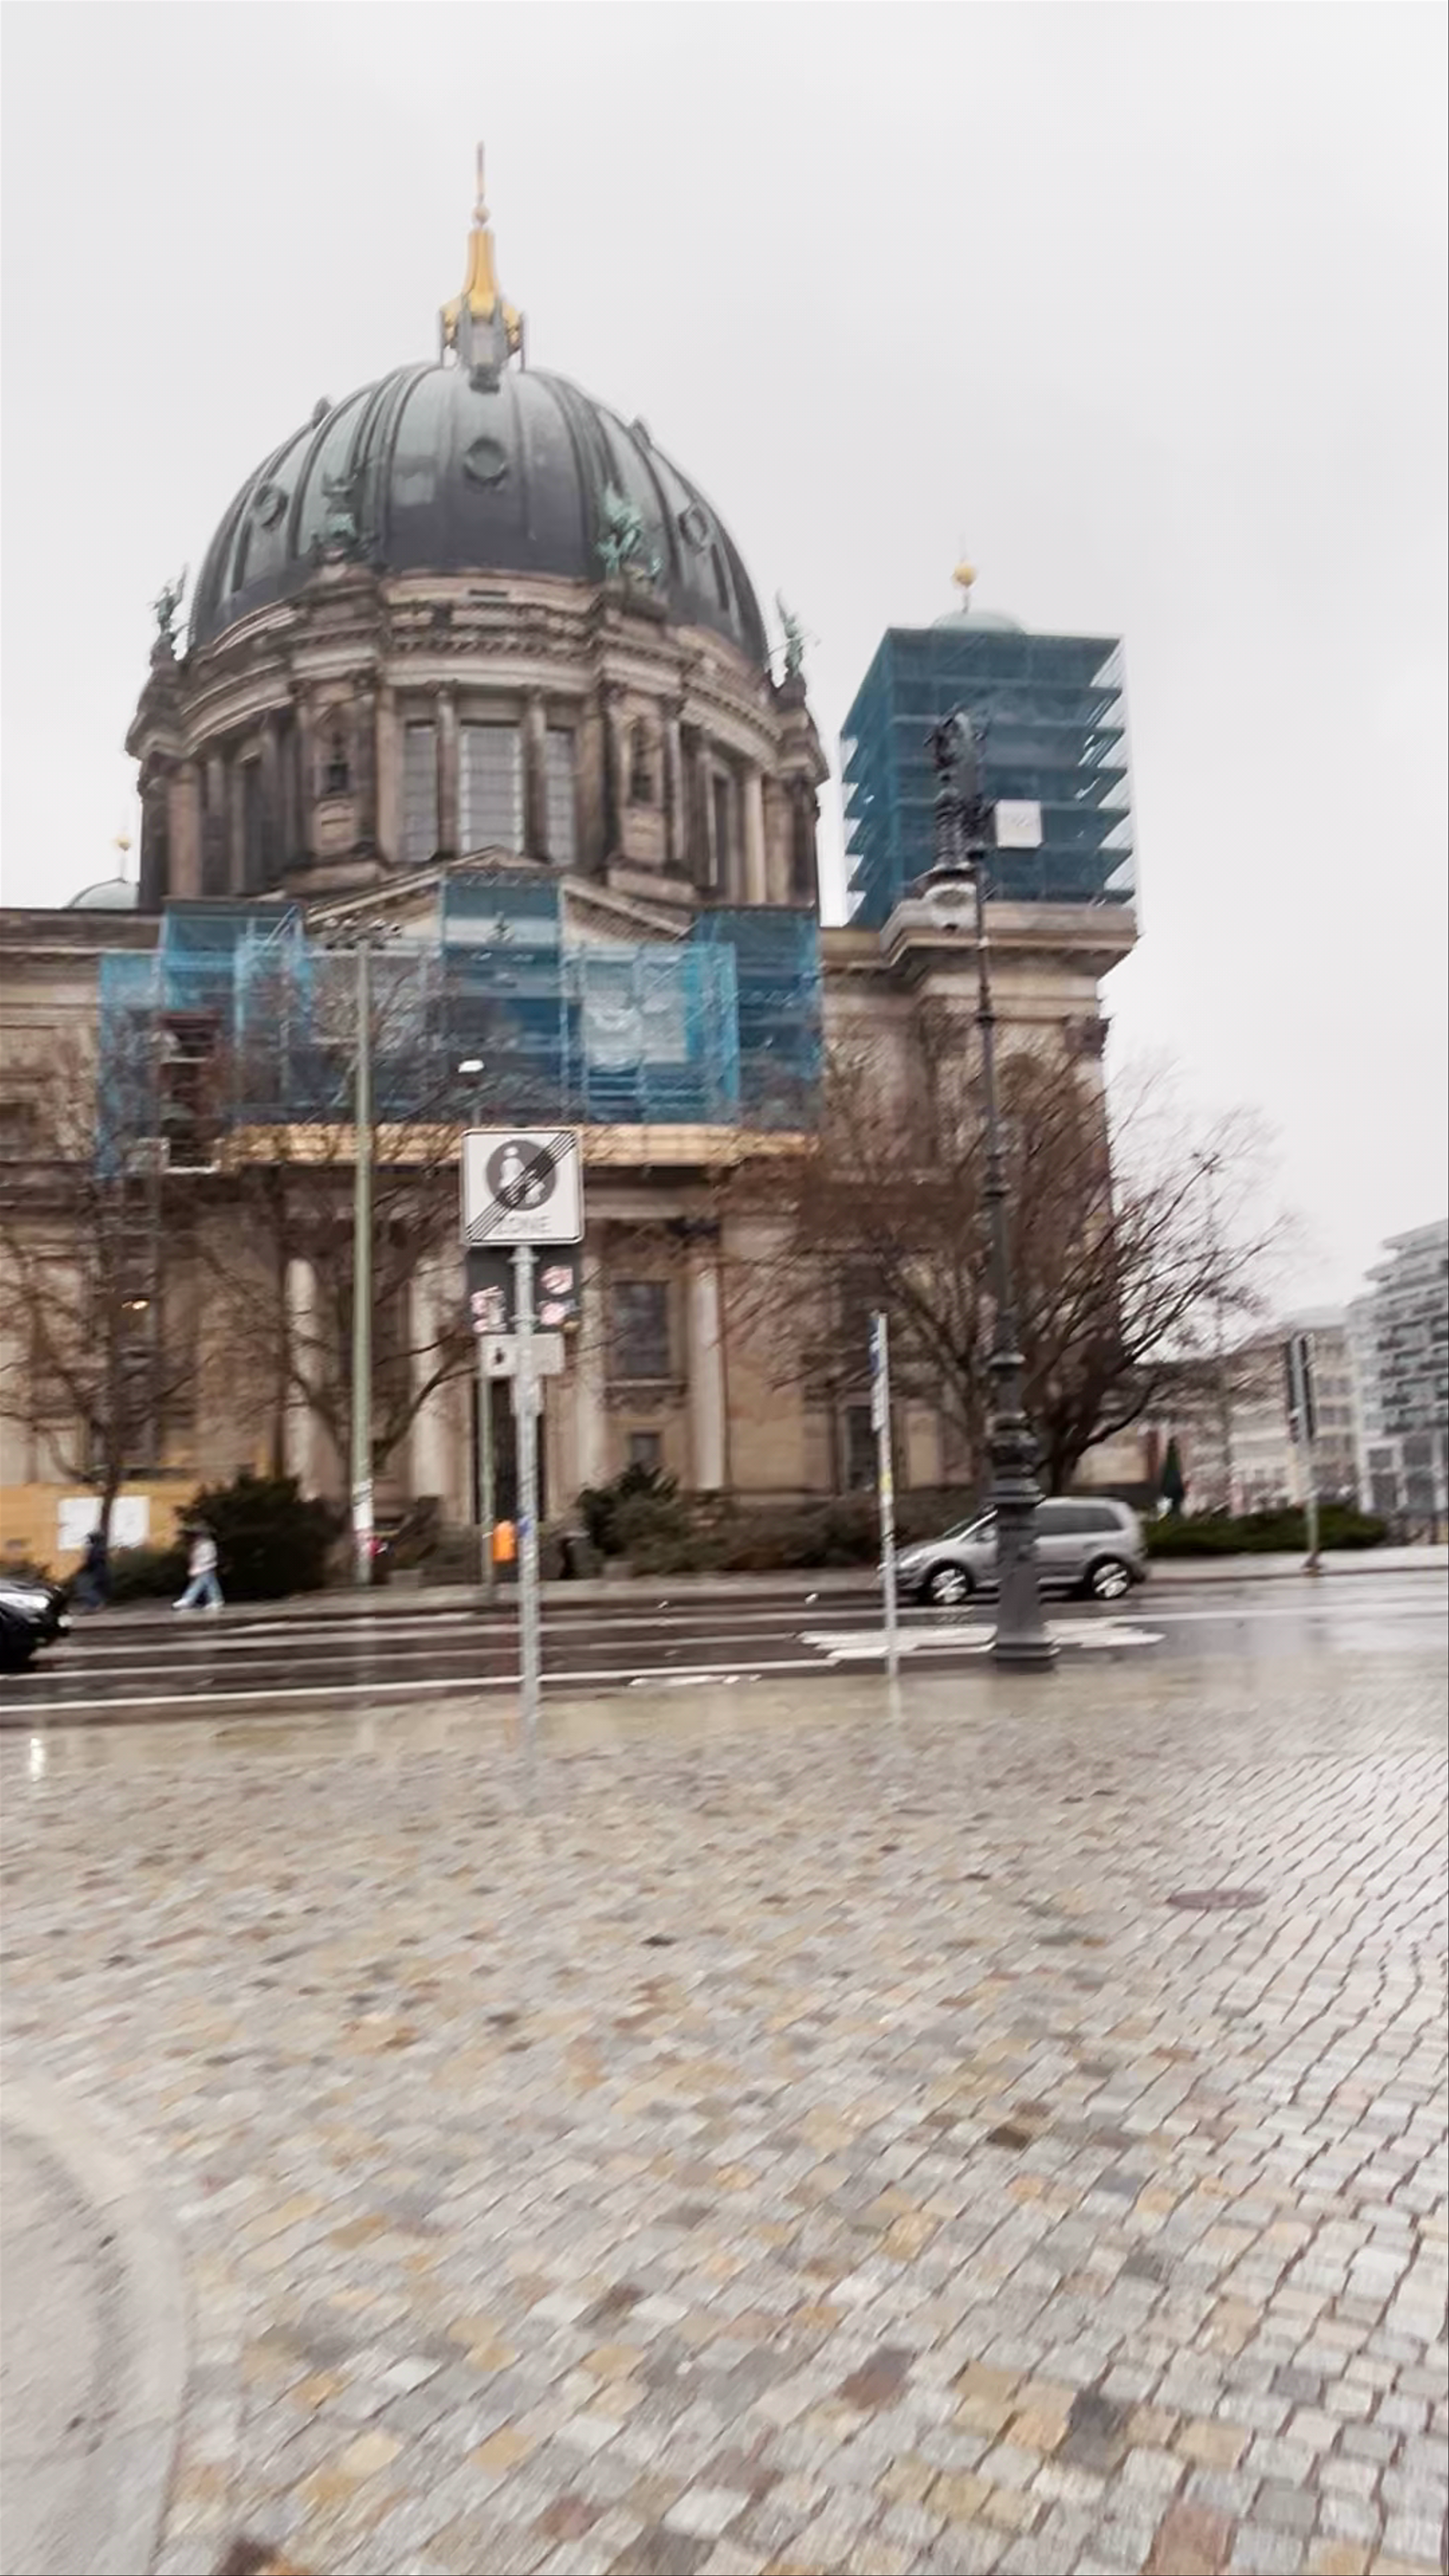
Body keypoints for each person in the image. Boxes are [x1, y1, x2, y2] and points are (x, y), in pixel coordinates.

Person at [174, 1526, 223, 1614]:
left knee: (198, 1585)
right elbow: (195, 1558)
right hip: (202, 1568)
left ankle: (188, 1600)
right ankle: (216, 1600)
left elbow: (208, 1558)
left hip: (205, 1567)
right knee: (211, 1584)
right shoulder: (199, 1545)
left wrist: (199, 1567)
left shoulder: (207, 1545)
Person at [74, 1524, 109, 1612]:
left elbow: (92, 1560)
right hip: (97, 1571)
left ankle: (94, 1606)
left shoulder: (96, 1549)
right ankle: (94, 1605)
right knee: (92, 1588)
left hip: (95, 1571)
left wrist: (84, 1569)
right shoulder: (99, 1548)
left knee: (87, 1587)